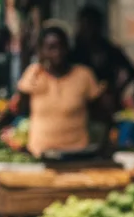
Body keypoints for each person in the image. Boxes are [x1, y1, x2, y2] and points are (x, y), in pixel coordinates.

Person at [14, 24, 109, 157]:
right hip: (41, 152)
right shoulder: (34, 74)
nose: (57, 53)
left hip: (77, 152)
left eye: (61, 47)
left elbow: (100, 113)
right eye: (51, 48)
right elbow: (20, 109)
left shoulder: (84, 75)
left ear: (67, 48)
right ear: (42, 51)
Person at [72, 5, 134, 105]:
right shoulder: (75, 52)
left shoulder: (109, 50)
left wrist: (116, 90)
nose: (86, 30)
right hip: (80, 100)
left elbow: (131, 72)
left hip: (106, 103)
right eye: (83, 25)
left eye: (89, 25)